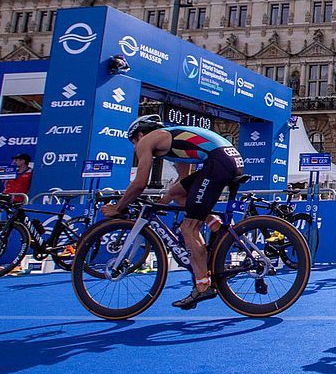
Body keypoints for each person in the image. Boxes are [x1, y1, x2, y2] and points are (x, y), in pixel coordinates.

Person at [101, 114, 244, 309]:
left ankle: (203, 287)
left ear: (140, 135)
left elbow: (139, 183)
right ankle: (215, 224)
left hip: (219, 161)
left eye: (133, 142)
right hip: (227, 159)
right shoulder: (173, 140)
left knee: (189, 228)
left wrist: (118, 207)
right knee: (176, 193)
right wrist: (161, 202)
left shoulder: (147, 141)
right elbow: (181, 183)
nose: (135, 148)